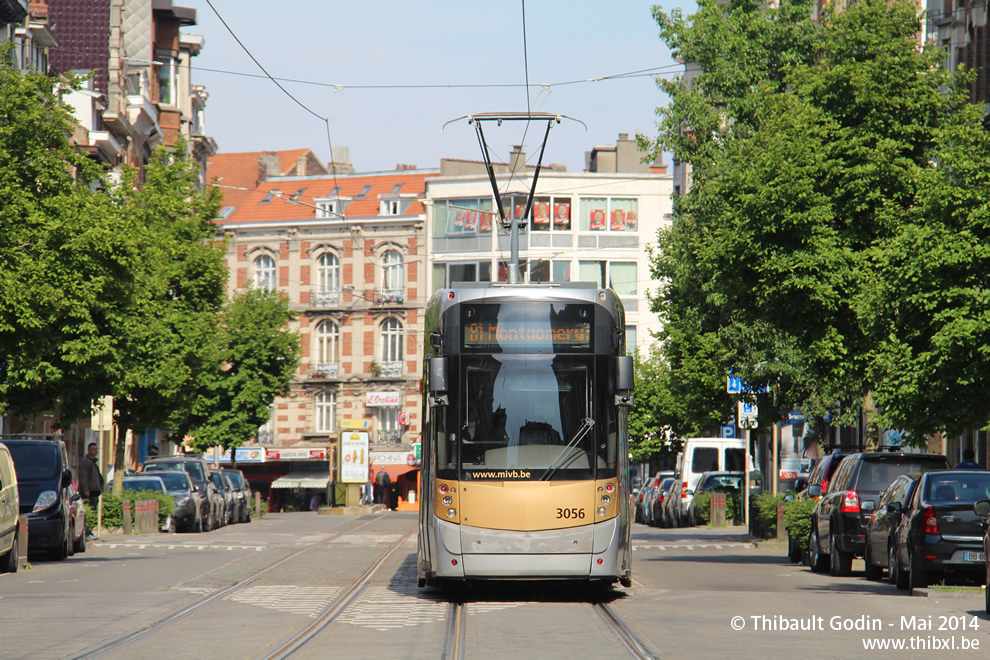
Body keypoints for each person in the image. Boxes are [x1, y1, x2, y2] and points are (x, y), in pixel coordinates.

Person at [78, 442, 104, 509]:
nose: (96, 451)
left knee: (94, 508)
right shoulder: (85, 461)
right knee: (90, 509)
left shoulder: (93, 462)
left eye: (97, 449)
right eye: (93, 449)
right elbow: (83, 476)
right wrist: (85, 490)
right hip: (89, 492)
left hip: (94, 491)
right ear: (88, 450)